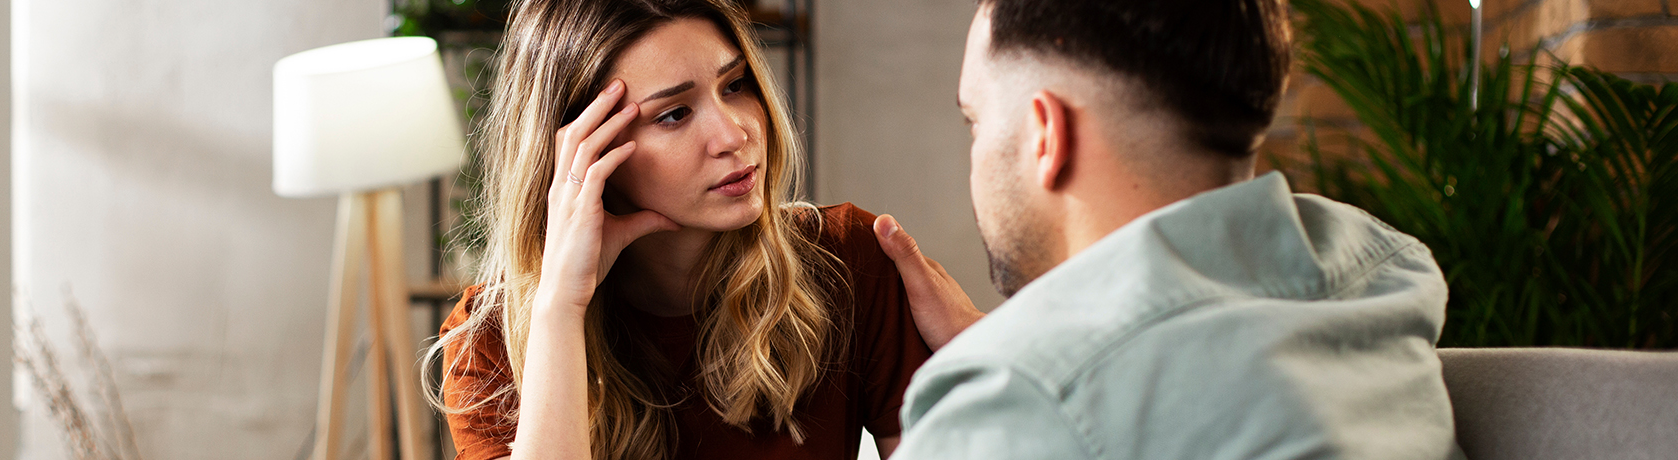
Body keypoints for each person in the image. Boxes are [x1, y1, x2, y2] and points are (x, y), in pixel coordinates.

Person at [869, 0, 1467, 458]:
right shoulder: (1387, 278)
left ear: (1045, 135)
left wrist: (1010, 363)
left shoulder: (1017, 402)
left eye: (976, 120)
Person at [425, 1, 931, 459]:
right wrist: (560, 308)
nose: (734, 134)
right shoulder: (489, 340)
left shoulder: (847, 258)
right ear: (587, 153)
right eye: (674, 114)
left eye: (735, 85)